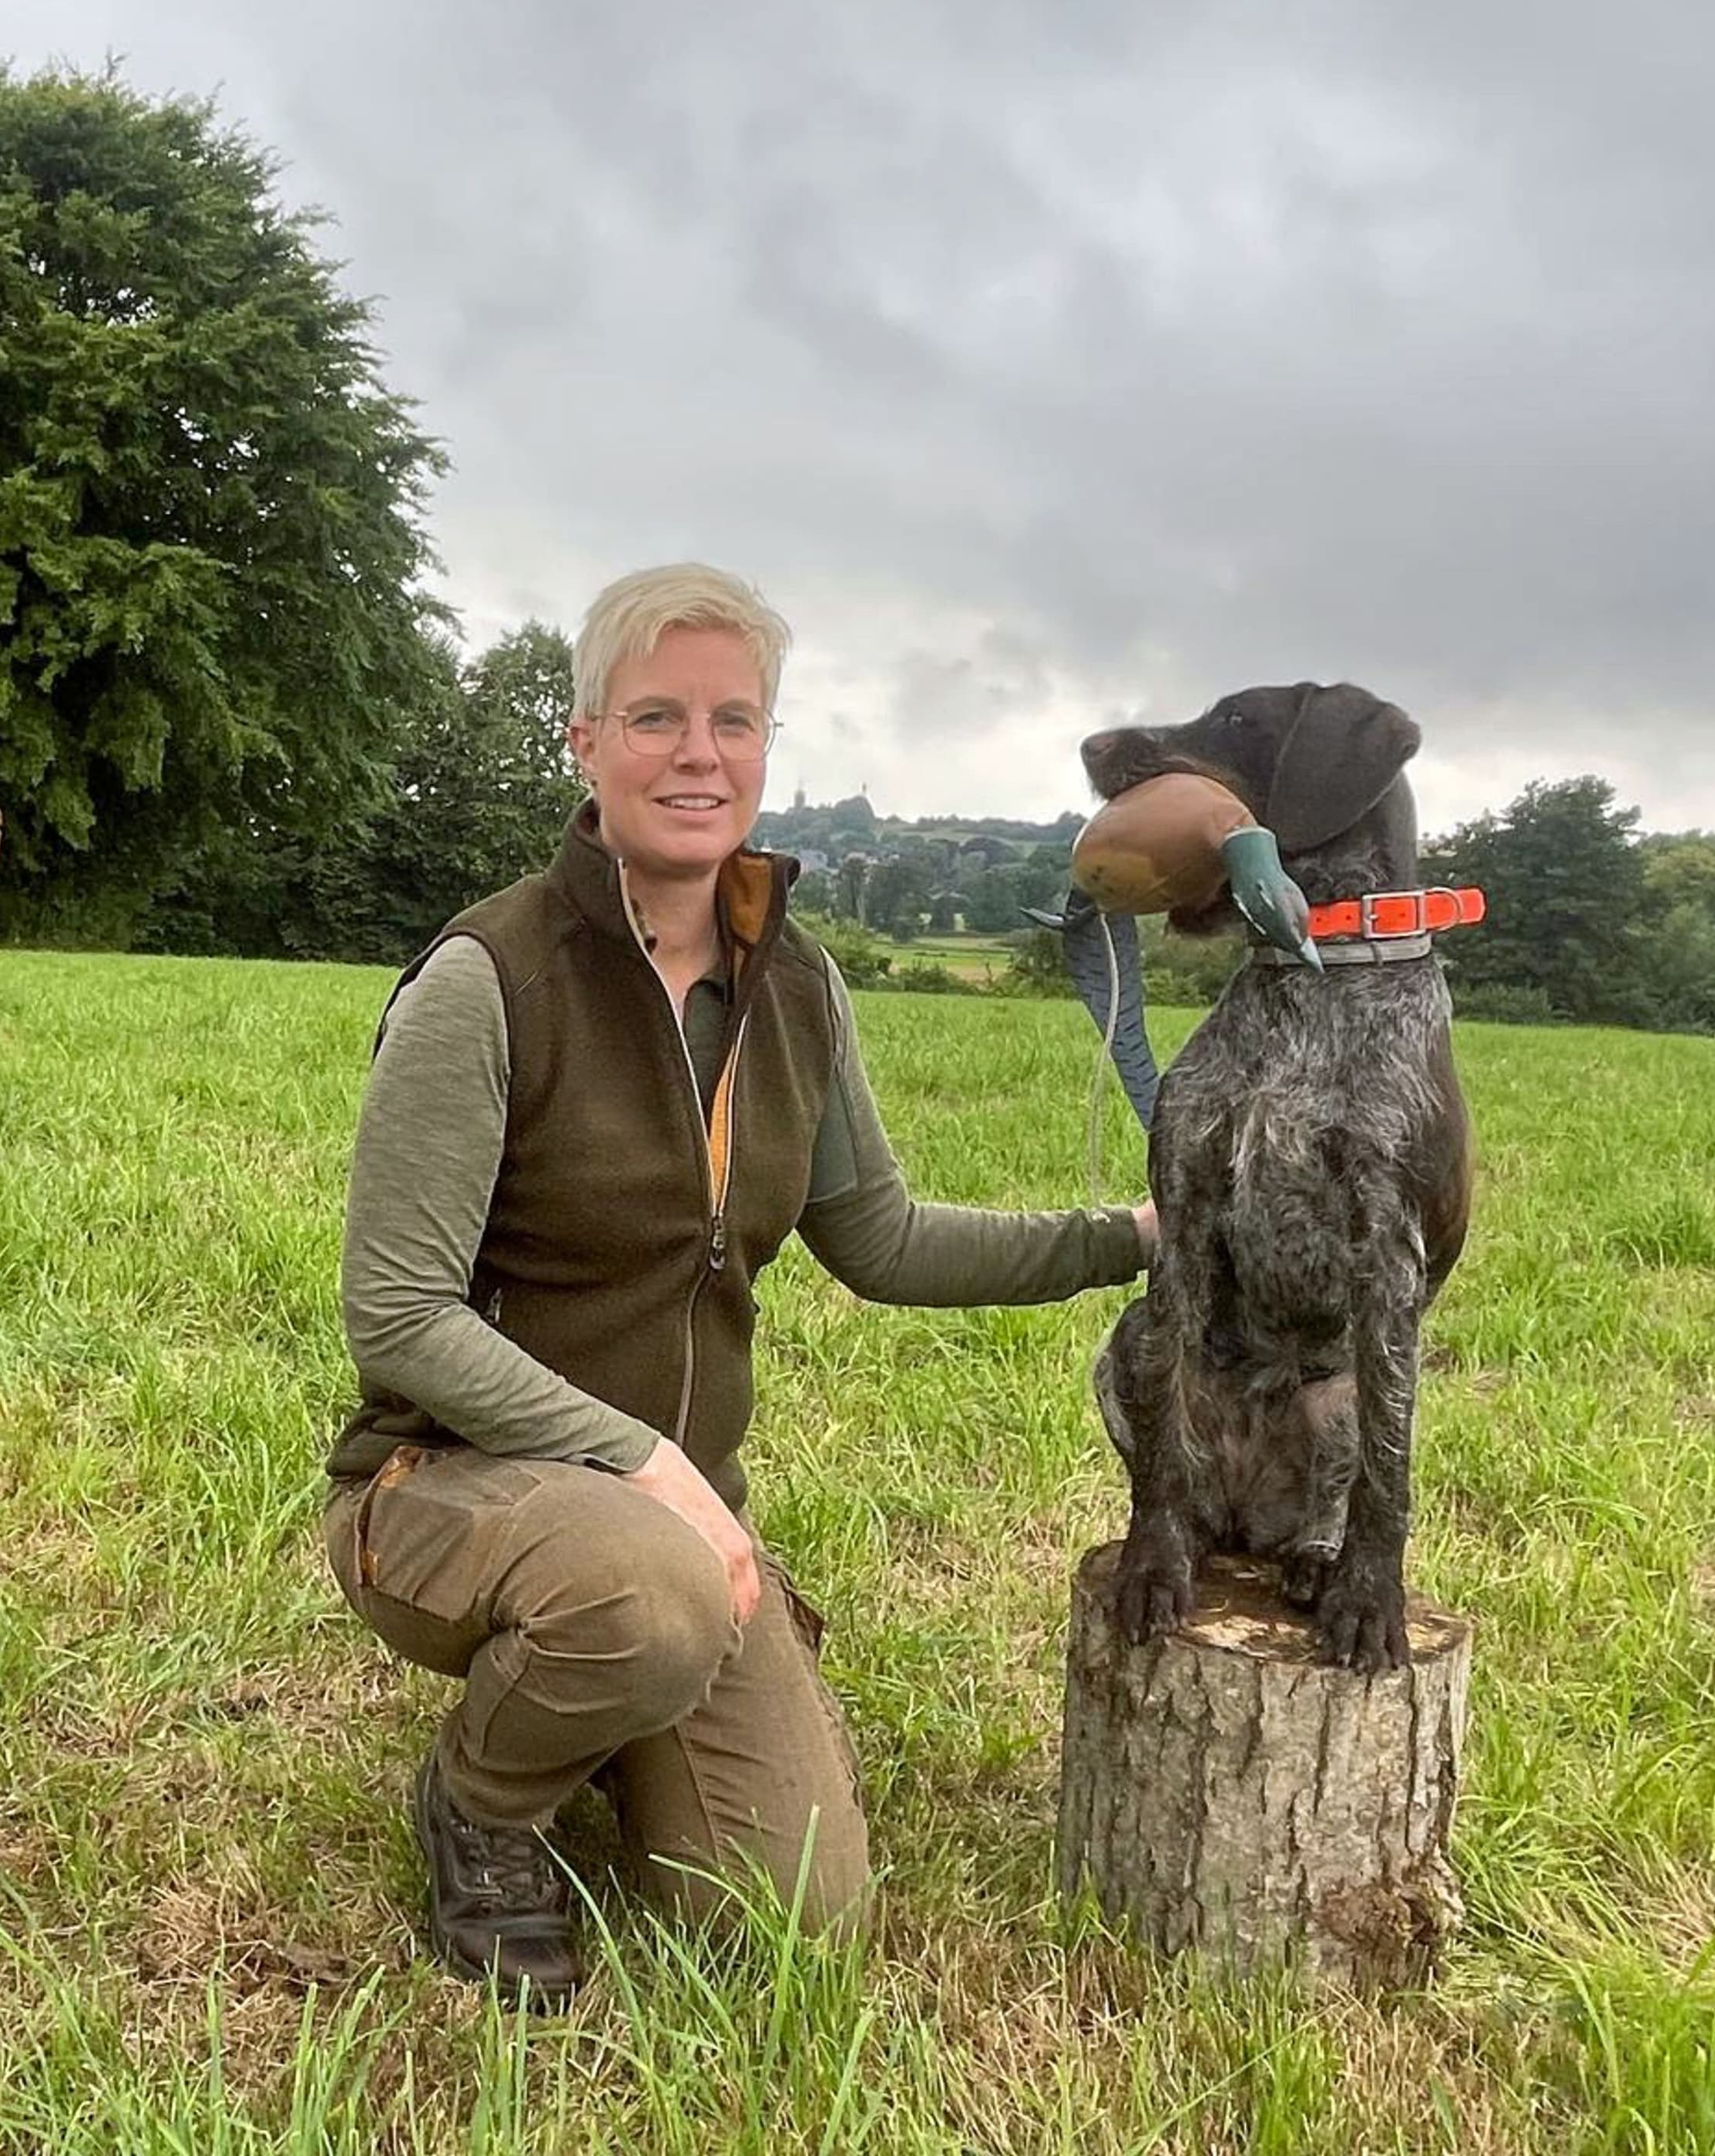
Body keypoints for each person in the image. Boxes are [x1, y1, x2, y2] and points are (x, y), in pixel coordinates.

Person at [322, 561, 1154, 2008]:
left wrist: (1130, 1236)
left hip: (664, 1524)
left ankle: (617, 1686)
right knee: (643, 1597)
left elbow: (882, 1241)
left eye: (734, 721)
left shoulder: (802, 990)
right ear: (585, 744)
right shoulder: (489, 976)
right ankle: (484, 1801)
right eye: (654, 717)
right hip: (450, 1491)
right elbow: (399, 1314)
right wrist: (645, 1462)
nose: (697, 755)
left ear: (768, 748)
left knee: (790, 1917)